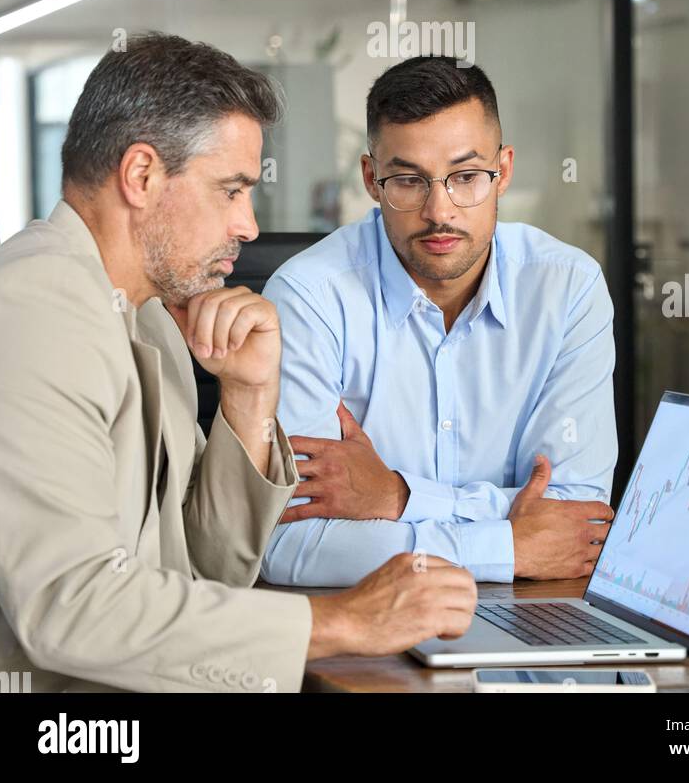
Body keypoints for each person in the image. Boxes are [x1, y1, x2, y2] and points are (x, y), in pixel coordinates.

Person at [0, 33, 476, 693]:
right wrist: (340, 622)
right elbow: (72, 606)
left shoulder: (150, 319)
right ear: (141, 176)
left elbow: (205, 574)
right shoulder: (35, 307)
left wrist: (247, 398)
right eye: (231, 190)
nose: (247, 224)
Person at [261, 55, 616, 588]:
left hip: (535, 617)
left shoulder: (567, 289)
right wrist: (507, 546)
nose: (439, 212)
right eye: (408, 181)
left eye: (467, 177)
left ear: (505, 171)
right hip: (370, 629)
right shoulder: (309, 297)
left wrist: (396, 497)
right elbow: (291, 544)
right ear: (371, 179)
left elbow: (576, 523)